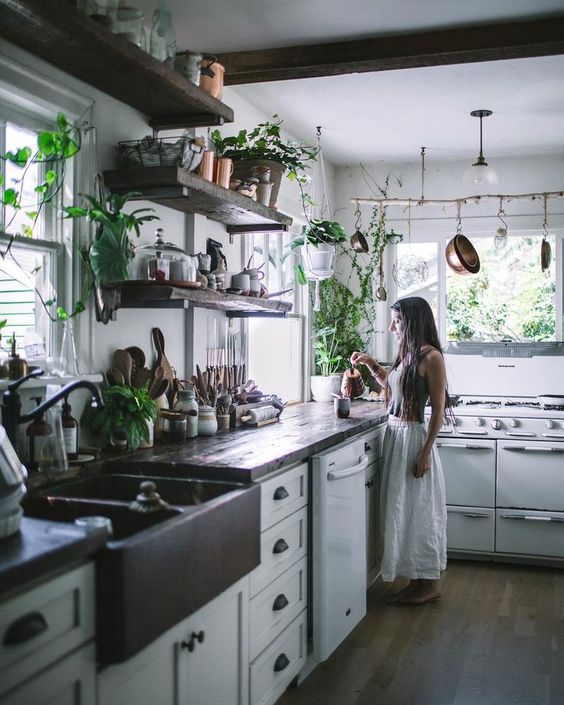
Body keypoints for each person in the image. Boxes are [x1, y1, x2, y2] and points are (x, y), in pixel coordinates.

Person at [350, 296, 449, 605]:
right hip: (396, 434)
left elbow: (438, 410)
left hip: (414, 439)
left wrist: (424, 453)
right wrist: (370, 364)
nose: (392, 326)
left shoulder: (431, 357)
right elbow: (391, 390)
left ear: (413, 322)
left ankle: (428, 583)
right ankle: (415, 581)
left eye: (398, 321)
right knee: (400, 511)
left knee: (419, 512)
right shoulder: (406, 354)